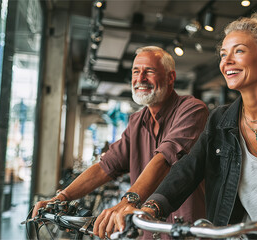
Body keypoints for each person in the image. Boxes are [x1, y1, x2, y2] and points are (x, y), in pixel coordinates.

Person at [116, 13, 257, 239]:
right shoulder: (220, 120)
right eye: (223, 54)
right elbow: (187, 170)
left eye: (238, 51)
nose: (226, 61)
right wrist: (151, 207)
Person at [32, 46, 209, 239]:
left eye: (149, 71)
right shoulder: (137, 121)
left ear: (170, 77)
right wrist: (61, 198)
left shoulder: (192, 109)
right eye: (136, 71)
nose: (140, 79)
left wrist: (129, 200)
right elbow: (105, 167)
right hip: (148, 231)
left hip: (185, 231)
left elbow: (165, 159)